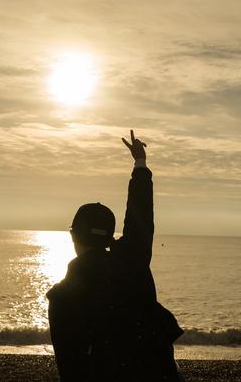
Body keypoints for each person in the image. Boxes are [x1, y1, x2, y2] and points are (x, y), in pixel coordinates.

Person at [47, 130, 184, 381]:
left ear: (72, 236)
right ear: (110, 238)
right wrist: (140, 164)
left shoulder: (63, 296)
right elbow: (140, 219)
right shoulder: (132, 262)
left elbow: (70, 367)